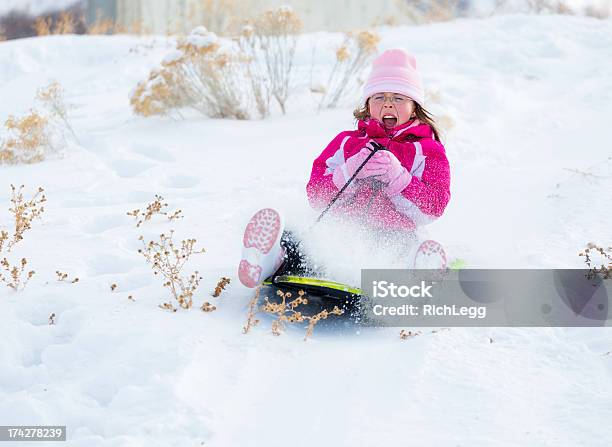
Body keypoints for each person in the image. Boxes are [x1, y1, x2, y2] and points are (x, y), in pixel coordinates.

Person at [238, 49, 451, 289]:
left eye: (399, 98)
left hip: (394, 234)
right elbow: (316, 195)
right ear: (368, 104)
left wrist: (399, 178)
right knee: (302, 242)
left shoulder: (428, 150)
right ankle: (265, 259)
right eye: (379, 97)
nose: (388, 104)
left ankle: (421, 273)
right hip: (340, 231)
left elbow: (435, 206)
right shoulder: (345, 143)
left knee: (405, 250)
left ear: (415, 107)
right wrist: (348, 173)